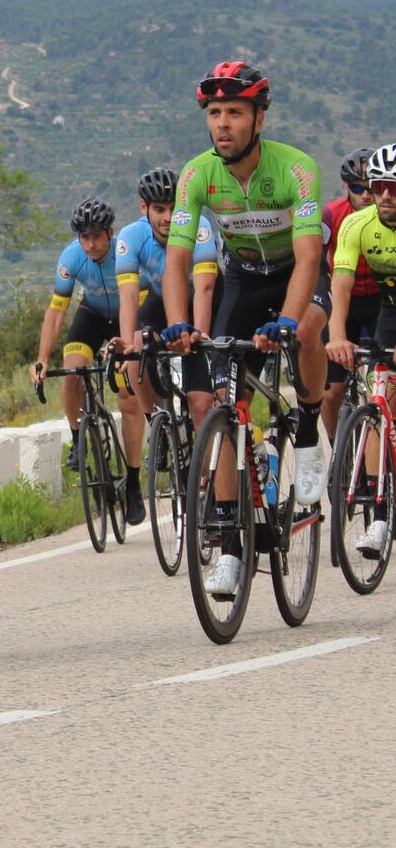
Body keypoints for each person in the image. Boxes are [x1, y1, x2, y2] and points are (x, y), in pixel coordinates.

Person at [163, 61, 329, 598]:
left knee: (305, 329)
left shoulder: (295, 169)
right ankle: (233, 550)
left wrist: (285, 321)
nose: (223, 124)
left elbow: (308, 258)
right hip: (243, 278)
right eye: (215, 113)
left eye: (235, 112)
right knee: (225, 407)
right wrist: (178, 325)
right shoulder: (197, 174)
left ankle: (306, 428)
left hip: (294, 276)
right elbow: (177, 262)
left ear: (259, 118)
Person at [31, 196, 146, 523]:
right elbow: (56, 312)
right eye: (84, 237)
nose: (90, 244)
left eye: (96, 236)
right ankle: (78, 438)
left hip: (127, 315)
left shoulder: (126, 250)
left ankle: (134, 481)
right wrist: (41, 358)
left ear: (111, 233)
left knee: (127, 397)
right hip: (92, 316)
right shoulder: (70, 258)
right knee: (71, 374)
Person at [327, 144, 396, 557]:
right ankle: (381, 516)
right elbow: (341, 286)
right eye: (380, 186)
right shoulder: (357, 225)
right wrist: (337, 337)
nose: (386, 195)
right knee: (378, 402)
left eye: (395, 188)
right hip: (389, 306)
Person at [112, 167, 219, 432]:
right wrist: (126, 345)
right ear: (143, 207)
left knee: (201, 403)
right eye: (159, 209)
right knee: (135, 347)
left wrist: (200, 333)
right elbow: (128, 296)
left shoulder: (200, 226)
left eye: (174, 208)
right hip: (162, 301)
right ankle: (158, 425)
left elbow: (205, 289)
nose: (169, 218)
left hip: (203, 302)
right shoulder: (130, 237)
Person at [321, 147, 378, 441]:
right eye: (358, 188)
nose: (366, 196)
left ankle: (376, 462)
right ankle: (338, 452)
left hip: (380, 301)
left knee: (378, 386)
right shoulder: (331, 214)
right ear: (346, 187)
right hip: (341, 299)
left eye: (372, 188)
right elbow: (317, 263)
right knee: (331, 392)